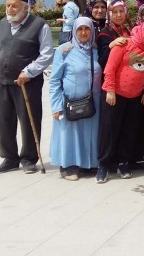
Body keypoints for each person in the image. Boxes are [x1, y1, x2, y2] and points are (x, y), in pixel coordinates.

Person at [0, 0, 54, 174]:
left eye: (14, 5)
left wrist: (29, 71)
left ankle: (29, 158)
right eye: (8, 5)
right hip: (2, 80)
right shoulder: (3, 24)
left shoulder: (39, 25)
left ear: (26, 7)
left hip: (27, 82)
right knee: (3, 120)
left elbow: (47, 54)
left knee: (29, 119)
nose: (9, 9)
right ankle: (9, 158)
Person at [97, 20, 144, 183]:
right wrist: (110, 90)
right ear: (142, 30)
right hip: (115, 94)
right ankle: (103, 165)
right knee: (109, 131)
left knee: (128, 132)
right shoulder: (124, 43)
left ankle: (124, 162)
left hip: (135, 97)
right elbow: (109, 68)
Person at [49, 17, 100, 181]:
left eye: (87, 29)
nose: (84, 33)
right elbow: (55, 79)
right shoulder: (64, 50)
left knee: (90, 134)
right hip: (71, 102)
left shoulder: (95, 50)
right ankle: (69, 166)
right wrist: (56, 106)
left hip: (93, 101)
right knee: (70, 135)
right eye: (80, 29)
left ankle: (89, 164)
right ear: (74, 31)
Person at [97, 1, 131, 70]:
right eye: (115, 12)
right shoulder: (105, 34)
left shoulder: (129, 30)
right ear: (109, 14)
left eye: (121, 11)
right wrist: (111, 45)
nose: (119, 15)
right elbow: (102, 61)